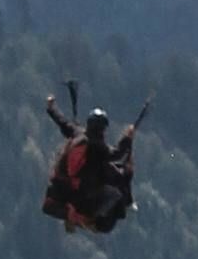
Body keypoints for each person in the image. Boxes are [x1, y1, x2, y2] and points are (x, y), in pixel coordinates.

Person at [40, 93, 141, 234]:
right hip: (83, 192)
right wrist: (127, 137)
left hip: (63, 187)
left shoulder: (78, 134)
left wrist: (51, 108)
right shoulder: (97, 146)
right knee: (116, 193)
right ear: (102, 128)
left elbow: (62, 123)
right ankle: (92, 220)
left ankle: (77, 215)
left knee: (111, 175)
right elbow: (117, 154)